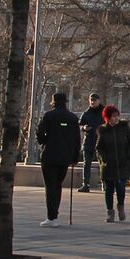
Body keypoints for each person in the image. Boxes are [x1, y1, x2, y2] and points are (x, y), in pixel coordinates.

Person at [35, 91, 80, 228]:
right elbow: (77, 139)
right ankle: (54, 214)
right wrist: (75, 157)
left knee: (50, 186)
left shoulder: (49, 116)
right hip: (65, 157)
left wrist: (43, 140)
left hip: (49, 156)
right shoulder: (72, 118)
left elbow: (40, 134)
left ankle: (51, 216)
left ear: (53, 102)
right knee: (58, 185)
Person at [95, 105, 130, 223]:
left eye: (117, 115)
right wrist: (104, 159)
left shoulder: (124, 128)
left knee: (121, 188)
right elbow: (99, 148)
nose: (116, 118)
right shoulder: (103, 130)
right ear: (107, 118)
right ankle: (110, 212)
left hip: (122, 164)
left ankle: (121, 207)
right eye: (113, 116)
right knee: (109, 190)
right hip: (108, 166)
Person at [77, 93, 104, 192]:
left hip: (101, 141)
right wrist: (84, 128)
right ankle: (86, 184)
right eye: (91, 100)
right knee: (86, 163)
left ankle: (104, 183)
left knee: (103, 163)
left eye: (94, 100)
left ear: (99, 101)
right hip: (89, 141)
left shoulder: (104, 112)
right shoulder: (86, 113)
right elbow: (80, 125)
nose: (92, 102)